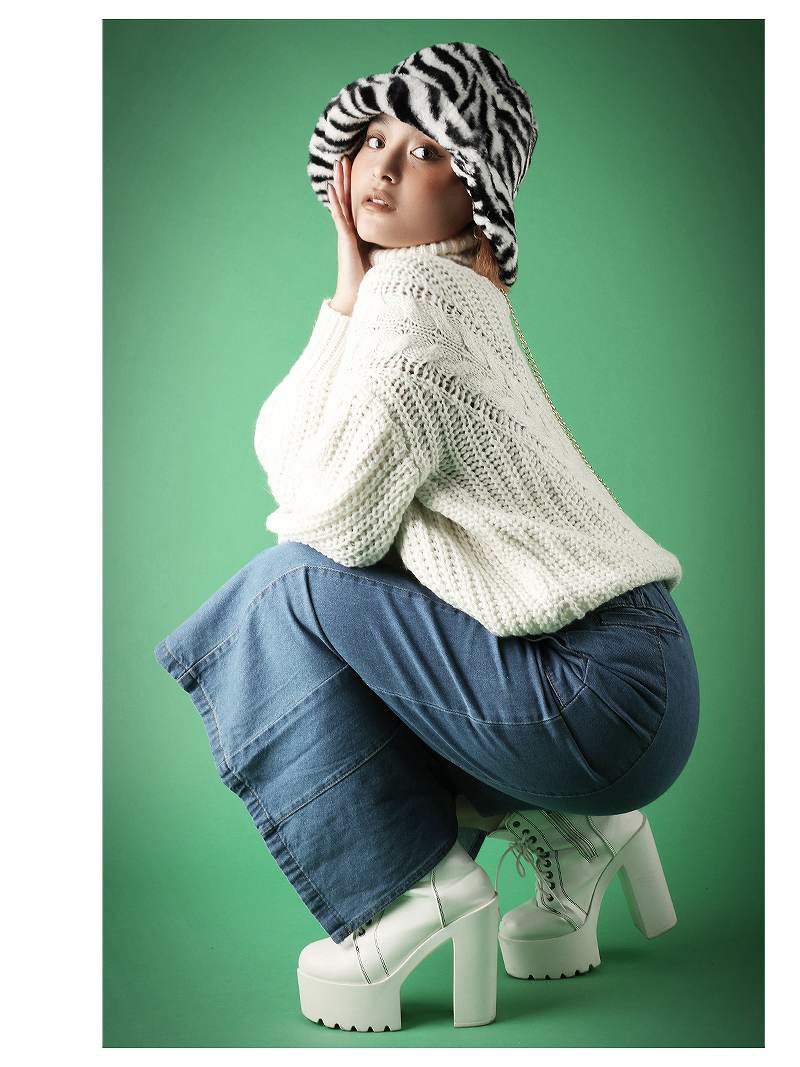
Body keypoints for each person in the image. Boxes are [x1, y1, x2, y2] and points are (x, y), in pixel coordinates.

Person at [154, 42, 700, 1033]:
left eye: (428, 151)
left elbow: (327, 520)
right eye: (374, 140)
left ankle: (411, 887)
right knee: (344, 595)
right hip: (626, 681)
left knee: (283, 589)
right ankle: (574, 828)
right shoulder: (437, 291)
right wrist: (346, 288)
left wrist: (361, 302)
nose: (385, 167)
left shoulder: (414, 311)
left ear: (474, 195)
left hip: (590, 685)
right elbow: (289, 450)